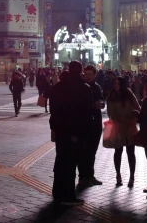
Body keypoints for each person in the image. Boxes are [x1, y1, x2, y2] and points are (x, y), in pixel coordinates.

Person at [49, 60, 94, 206]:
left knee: (60, 159)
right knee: (71, 163)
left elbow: (53, 110)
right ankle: (68, 195)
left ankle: (57, 192)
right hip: (76, 132)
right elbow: (88, 113)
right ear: (80, 70)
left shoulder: (58, 87)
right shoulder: (84, 88)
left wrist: (55, 127)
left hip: (61, 130)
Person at [106, 76, 140, 188]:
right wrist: (118, 118)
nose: (116, 85)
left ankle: (132, 177)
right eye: (114, 83)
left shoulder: (128, 94)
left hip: (129, 127)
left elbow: (137, 107)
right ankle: (118, 175)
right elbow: (110, 113)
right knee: (118, 151)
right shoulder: (111, 96)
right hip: (118, 127)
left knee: (131, 152)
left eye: (118, 83)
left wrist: (133, 116)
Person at [79, 64, 105, 188]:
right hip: (85, 123)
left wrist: (101, 103)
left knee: (93, 151)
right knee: (84, 151)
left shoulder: (97, 87)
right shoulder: (81, 87)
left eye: (90, 74)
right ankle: (83, 176)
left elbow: (102, 101)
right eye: (86, 74)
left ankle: (90, 175)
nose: (88, 77)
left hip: (96, 122)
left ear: (95, 75)